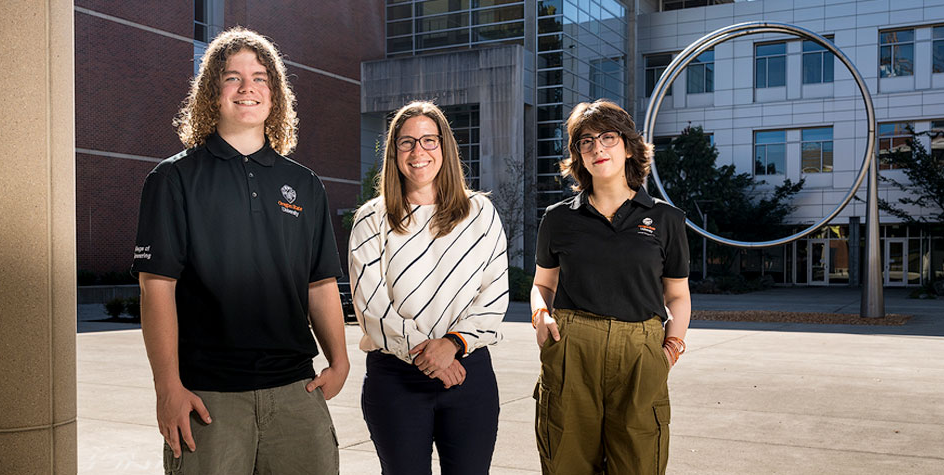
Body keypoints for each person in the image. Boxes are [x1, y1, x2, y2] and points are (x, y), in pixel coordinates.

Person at [131, 28, 348, 475]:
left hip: (295, 391)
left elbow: (321, 281)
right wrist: (167, 386)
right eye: (232, 77)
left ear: (276, 95)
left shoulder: (305, 184)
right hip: (209, 398)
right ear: (212, 93)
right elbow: (157, 290)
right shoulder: (173, 180)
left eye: (260, 77)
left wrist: (340, 361)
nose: (248, 87)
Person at [530, 99, 692, 474]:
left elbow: (678, 296)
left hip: (641, 353)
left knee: (638, 464)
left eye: (608, 137)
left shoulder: (666, 219)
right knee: (565, 463)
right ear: (578, 156)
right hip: (572, 351)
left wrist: (670, 350)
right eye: (585, 142)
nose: (597, 148)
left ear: (629, 146)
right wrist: (540, 314)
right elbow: (543, 284)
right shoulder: (558, 219)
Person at [349, 100, 509, 475]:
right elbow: (371, 307)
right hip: (396, 380)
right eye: (406, 142)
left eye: (428, 140)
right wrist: (429, 357)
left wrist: (452, 345)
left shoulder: (480, 213)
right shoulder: (371, 219)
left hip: (467, 373)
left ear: (445, 148)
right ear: (393, 153)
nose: (418, 151)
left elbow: (494, 293)